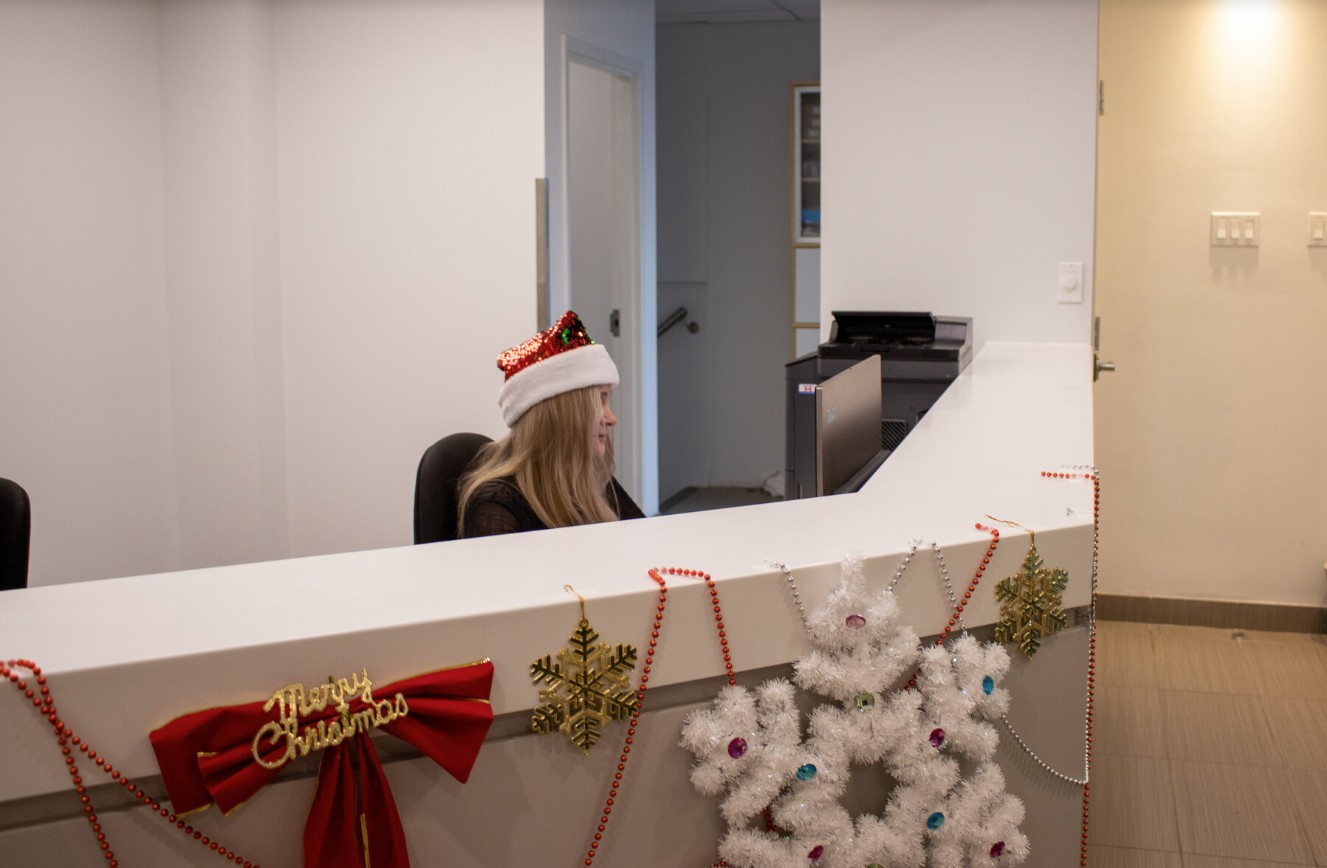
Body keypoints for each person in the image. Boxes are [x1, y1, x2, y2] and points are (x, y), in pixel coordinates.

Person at [457, 311, 644, 538]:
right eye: (601, 400)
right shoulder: (496, 505)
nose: (611, 418)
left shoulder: (590, 478)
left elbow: (644, 541)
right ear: (564, 414)